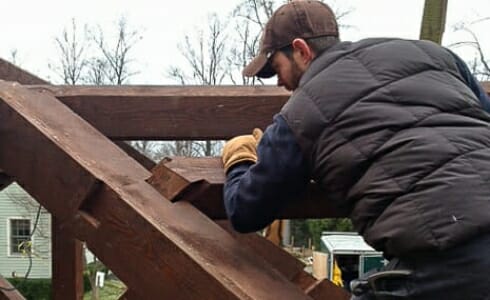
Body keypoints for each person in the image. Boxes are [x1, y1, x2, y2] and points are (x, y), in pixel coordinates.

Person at [221, 1, 490, 299]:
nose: (280, 83)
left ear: (300, 50)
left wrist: (240, 157)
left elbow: (245, 210)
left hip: (452, 265)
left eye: (276, 68)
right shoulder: (437, 56)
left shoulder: (300, 114)